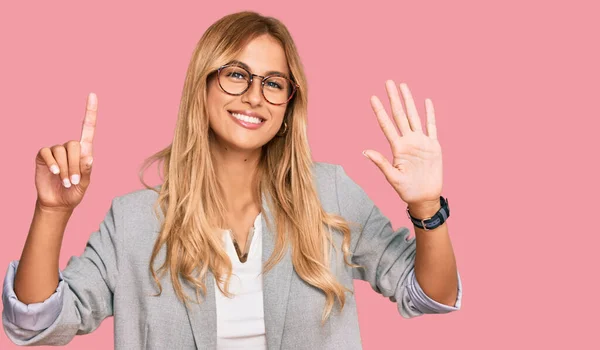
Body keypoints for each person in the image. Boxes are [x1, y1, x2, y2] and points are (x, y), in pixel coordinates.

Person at [2, 11, 462, 350]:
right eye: (236, 75)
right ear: (201, 88)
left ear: (287, 106)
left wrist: (427, 208)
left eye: (273, 83)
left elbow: (430, 296)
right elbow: (37, 321)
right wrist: (52, 212)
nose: (254, 97)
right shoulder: (135, 221)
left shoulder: (331, 194)